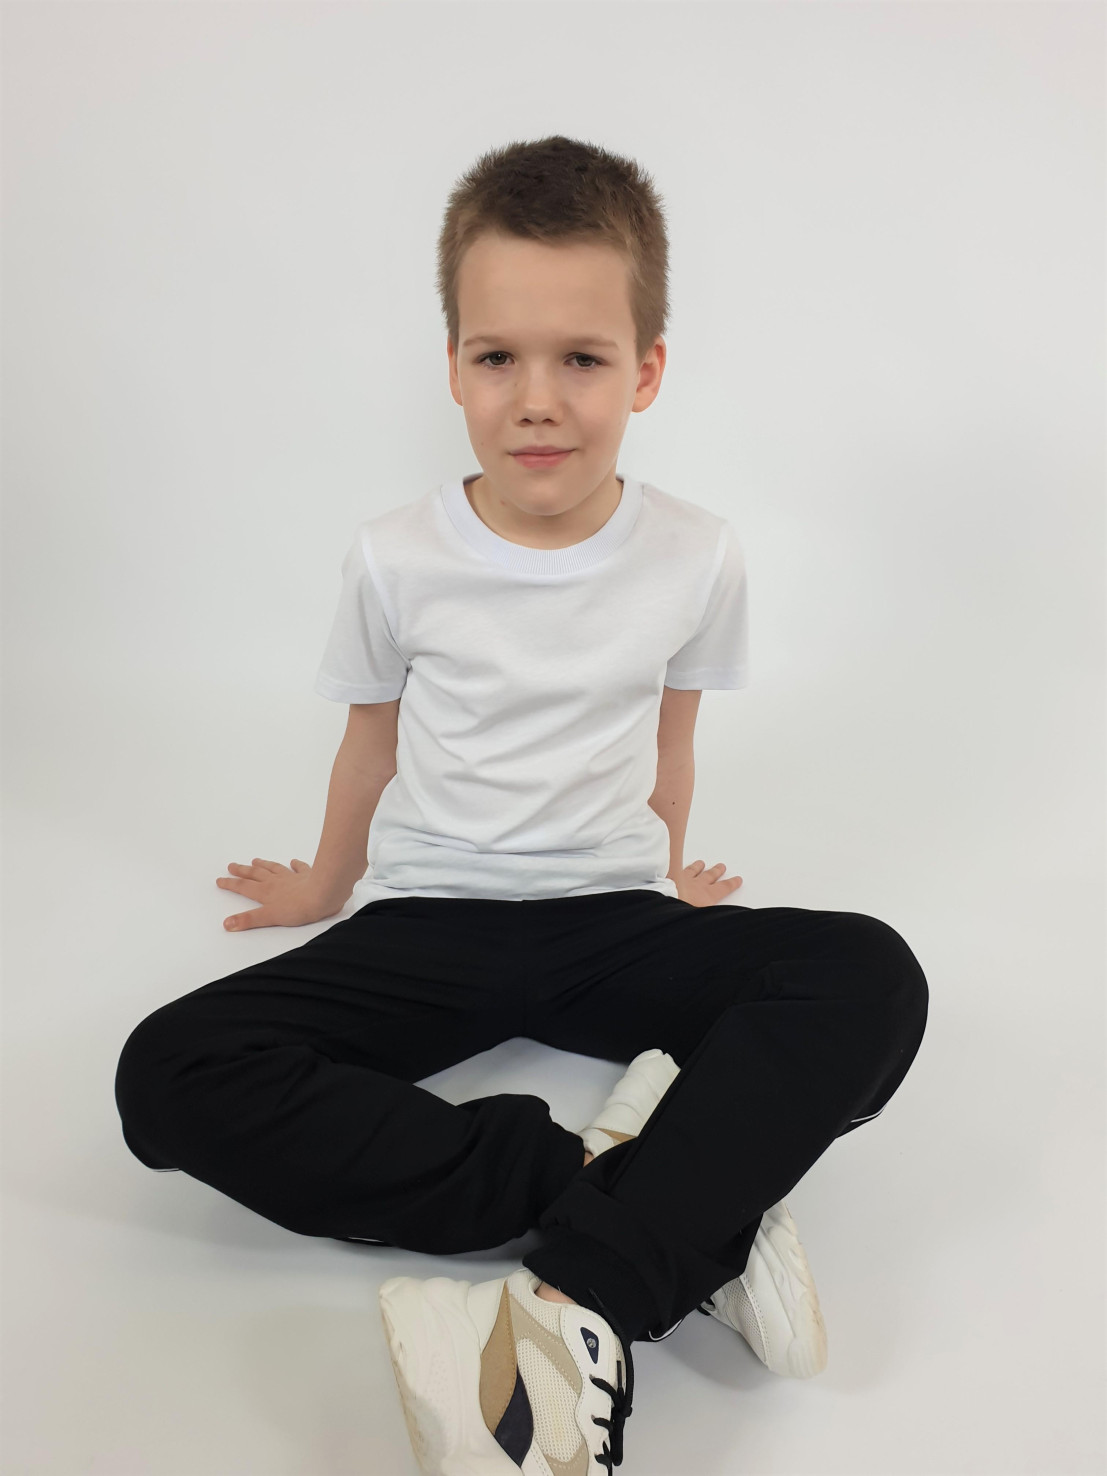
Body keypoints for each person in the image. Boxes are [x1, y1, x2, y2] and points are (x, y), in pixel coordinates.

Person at [114, 134, 929, 1475]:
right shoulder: (396, 556)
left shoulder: (698, 553)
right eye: (499, 357)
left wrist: (666, 879)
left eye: (582, 360)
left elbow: (671, 740)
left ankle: (583, 1291)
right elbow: (369, 745)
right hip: (431, 917)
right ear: (453, 366)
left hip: (613, 916)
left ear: (646, 371)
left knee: (870, 973)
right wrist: (324, 887)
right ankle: (667, 1210)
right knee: (169, 1074)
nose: (537, 401)